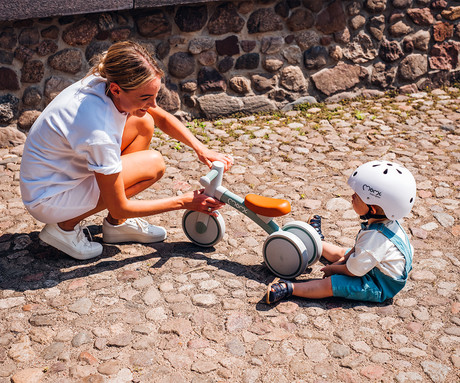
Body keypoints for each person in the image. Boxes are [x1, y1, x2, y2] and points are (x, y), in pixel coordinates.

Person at [20, 41, 233, 260]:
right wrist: (184, 202)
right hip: (48, 198)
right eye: (144, 98)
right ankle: (63, 228)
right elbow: (120, 205)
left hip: (59, 174)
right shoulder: (99, 130)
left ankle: (116, 225)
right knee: (153, 164)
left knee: (144, 123)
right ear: (116, 90)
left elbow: (159, 117)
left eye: (154, 95)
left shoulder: (107, 79)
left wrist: (201, 149)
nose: (152, 104)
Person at [266, 160, 416, 304]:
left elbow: (353, 271)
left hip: (377, 284)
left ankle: (290, 289)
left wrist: (332, 269)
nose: (352, 197)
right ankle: (316, 241)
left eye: (357, 196)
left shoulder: (376, 238)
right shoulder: (387, 224)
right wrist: (342, 261)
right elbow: (356, 254)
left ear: (373, 209)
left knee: (330, 285)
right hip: (373, 265)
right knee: (343, 252)